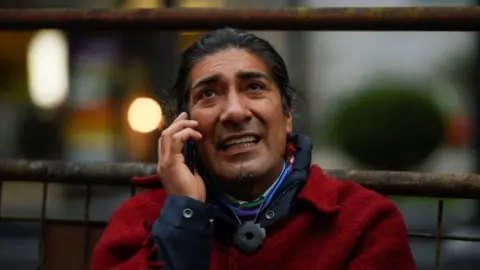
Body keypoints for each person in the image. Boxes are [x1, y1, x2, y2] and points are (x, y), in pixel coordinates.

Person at [90, 27, 416, 270]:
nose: (234, 111)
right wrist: (184, 217)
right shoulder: (138, 222)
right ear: (184, 126)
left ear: (286, 115)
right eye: (209, 94)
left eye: (254, 87)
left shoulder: (365, 222)